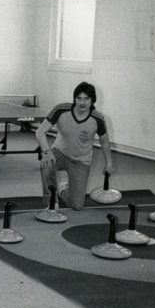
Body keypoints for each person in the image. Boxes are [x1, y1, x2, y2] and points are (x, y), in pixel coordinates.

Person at [35, 81, 114, 211]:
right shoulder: (61, 110)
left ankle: (62, 190)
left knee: (77, 205)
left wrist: (109, 163)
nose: (82, 103)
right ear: (74, 99)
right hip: (59, 153)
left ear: (92, 100)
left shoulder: (97, 119)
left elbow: (104, 141)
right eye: (79, 98)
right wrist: (47, 152)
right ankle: (51, 202)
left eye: (86, 99)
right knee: (46, 164)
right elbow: (40, 132)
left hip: (81, 160)